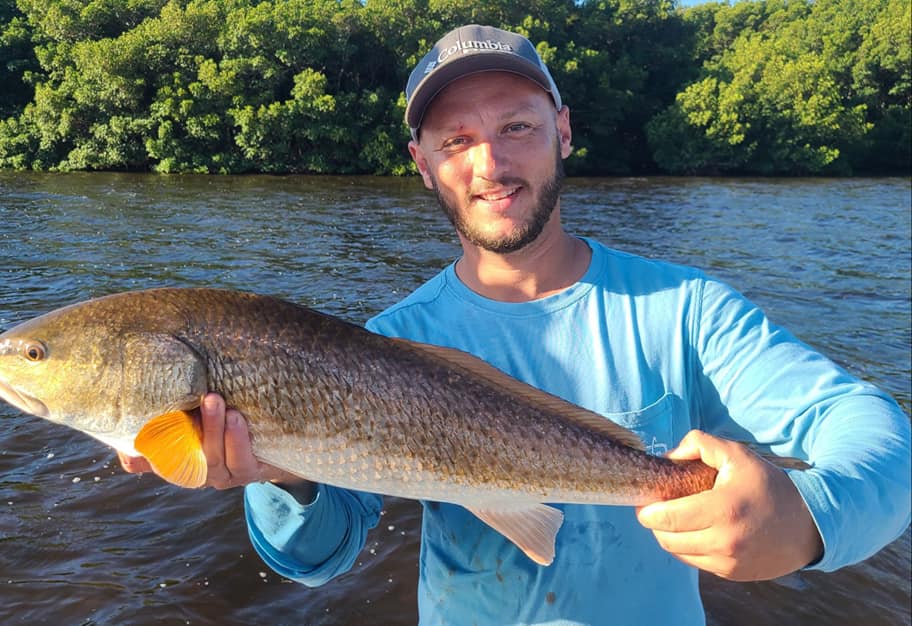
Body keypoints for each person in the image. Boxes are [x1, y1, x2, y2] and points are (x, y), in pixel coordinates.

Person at [119, 24, 911, 625]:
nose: (489, 165)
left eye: (517, 128)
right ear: (421, 162)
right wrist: (279, 475)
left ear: (563, 131)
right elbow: (320, 558)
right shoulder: (383, 344)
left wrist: (808, 520)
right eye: (456, 140)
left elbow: (874, 432)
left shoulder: (688, 311)